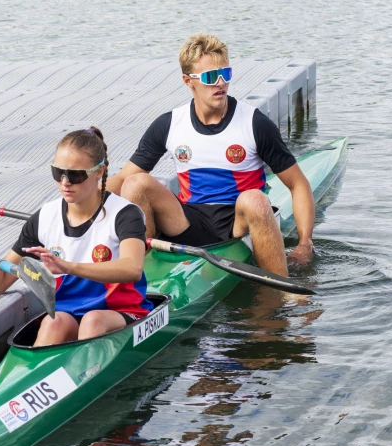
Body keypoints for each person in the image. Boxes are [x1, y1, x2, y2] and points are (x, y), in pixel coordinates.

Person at [106, 34, 316, 277]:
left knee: (255, 200)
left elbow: (298, 184)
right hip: (186, 221)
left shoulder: (254, 123)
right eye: (210, 77)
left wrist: (304, 243)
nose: (220, 83)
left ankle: (280, 293)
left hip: (237, 222)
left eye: (225, 74)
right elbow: (122, 179)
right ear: (188, 81)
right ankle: (142, 273)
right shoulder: (170, 124)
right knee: (135, 183)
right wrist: (80, 199)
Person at [0, 128, 153, 346]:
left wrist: (67, 267)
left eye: (75, 175)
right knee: (53, 322)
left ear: (100, 171)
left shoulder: (125, 214)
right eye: (57, 172)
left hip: (122, 312)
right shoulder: (44, 217)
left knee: (93, 320)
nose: (65, 182)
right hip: (68, 318)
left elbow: (132, 269)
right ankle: (35, 377)